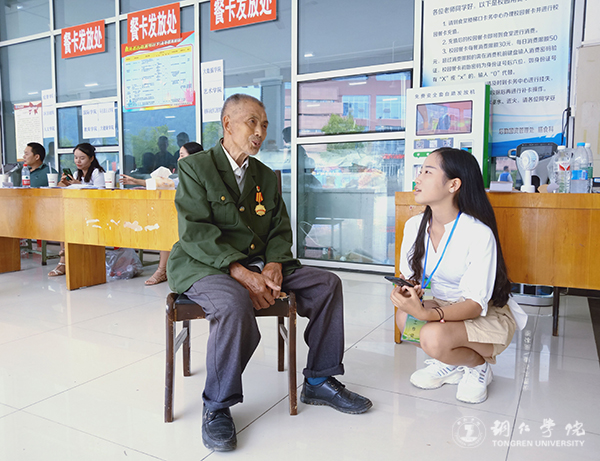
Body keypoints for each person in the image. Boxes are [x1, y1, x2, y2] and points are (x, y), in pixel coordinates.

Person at [167, 94, 372, 452]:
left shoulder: (264, 175)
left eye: (264, 124)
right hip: (206, 264)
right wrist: (243, 274)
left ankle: (319, 380)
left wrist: (274, 264)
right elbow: (196, 231)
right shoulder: (196, 168)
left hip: (260, 264)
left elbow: (279, 227)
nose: (260, 131)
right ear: (227, 124)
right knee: (233, 304)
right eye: (252, 122)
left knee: (326, 284)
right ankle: (216, 405)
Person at [392, 147, 528, 404]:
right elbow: (409, 277)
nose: (417, 178)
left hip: (483, 313)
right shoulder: (414, 226)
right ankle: (450, 362)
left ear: (453, 185)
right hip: (445, 305)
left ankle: (477, 367)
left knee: (432, 335)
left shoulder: (478, 233)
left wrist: (427, 315)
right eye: (420, 171)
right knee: (404, 318)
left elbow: (475, 305)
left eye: (428, 172)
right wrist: (407, 292)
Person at [120, 141, 204, 285]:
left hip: (200, 218)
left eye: (182, 155)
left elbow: (170, 185)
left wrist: (137, 181)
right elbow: (168, 183)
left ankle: (163, 270)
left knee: (169, 229)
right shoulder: (184, 175)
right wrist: (139, 183)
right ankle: (162, 270)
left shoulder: (203, 175)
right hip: (185, 216)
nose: (178, 159)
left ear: (193, 157)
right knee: (167, 228)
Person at [49, 143, 106, 276]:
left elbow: (101, 195)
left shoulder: (97, 173)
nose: (78, 161)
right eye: (75, 158)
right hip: (79, 211)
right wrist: (64, 184)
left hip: (94, 213)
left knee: (68, 224)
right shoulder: (76, 174)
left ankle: (64, 260)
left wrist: (79, 185)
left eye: (82, 158)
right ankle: (64, 258)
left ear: (91, 158)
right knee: (63, 223)